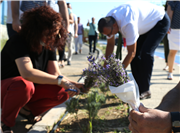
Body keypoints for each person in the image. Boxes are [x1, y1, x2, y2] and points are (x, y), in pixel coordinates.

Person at [0, 6, 84, 133]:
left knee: (63, 91)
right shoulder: (18, 41)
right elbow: (27, 73)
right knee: (24, 85)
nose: (54, 37)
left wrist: (74, 84)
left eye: (56, 33)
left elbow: (55, 74)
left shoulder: (49, 44)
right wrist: (61, 81)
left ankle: (26, 110)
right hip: (5, 91)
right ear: (37, 30)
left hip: (24, 92)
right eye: (50, 33)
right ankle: (5, 123)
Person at [98, 1, 170, 100]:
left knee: (146, 53)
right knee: (136, 57)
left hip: (159, 21)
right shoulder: (108, 21)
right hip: (144, 25)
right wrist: (105, 68)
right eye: (107, 35)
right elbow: (110, 44)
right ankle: (137, 88)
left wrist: (118, 72)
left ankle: (145, 90)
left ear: (115, 25)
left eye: (110, 33)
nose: (109, 36)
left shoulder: (128, 24)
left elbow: (131, 53)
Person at [166, 0, 180, 80]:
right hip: (174, 31)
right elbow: (169, 16)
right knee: (172, 52)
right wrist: (167, 27)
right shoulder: (172, 3)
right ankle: (170, 72)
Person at [163, 0, 171, 71]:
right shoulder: (164, 12)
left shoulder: (176, 7)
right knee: (167, 48)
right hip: (166, 31)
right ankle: (167, 64)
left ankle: (170, 65)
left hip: (175, 30)